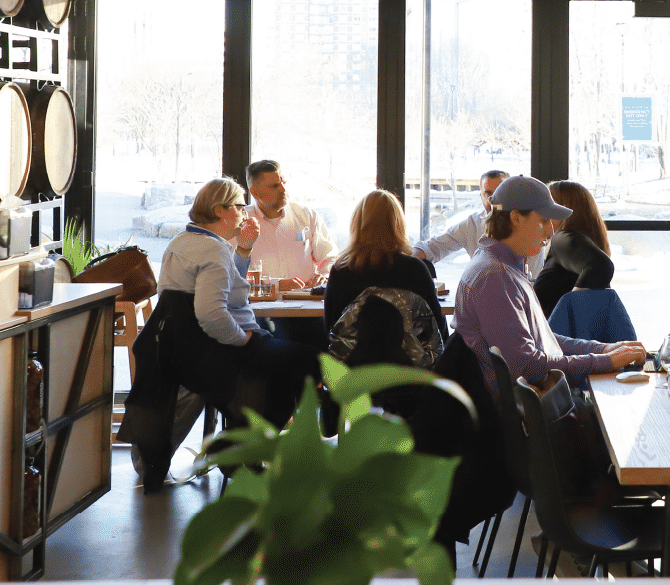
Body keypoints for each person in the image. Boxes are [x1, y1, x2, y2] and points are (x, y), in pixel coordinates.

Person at [135, 177, 320, 442]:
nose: (245, 213)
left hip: (191, 346)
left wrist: (244, 249)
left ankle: (240, 438)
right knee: (311, 361)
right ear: (219, 210)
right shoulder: (213, 250)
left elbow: (228, 287)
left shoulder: (183, 241)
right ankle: (239, 442)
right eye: (239, 207)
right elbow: (212, 315)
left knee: (284, 366)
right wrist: (244, 339)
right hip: (219, 348)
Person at [455, 175, 646, 396]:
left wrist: (603, 349)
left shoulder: (504, 267)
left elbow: (542, 339)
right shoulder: (495, 277)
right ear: (516, 218)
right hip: (524, 411)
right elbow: (526, 366)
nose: (551, 232)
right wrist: (605, 361)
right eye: (544, 220)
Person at [324, 189, 448, 345]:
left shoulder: (341, 271)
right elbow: (438, 330)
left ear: (357, 224)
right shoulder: (416, 270)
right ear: (398, 225)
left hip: (354, 359)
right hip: (409, 359)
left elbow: (330, 329)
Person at [414, 169, 545, 279]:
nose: (493, 199)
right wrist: (407, 259)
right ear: (481, 196)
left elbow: (527, 275)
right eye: (488, 193)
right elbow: (433, 247)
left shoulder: (530, 224)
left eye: (499, 192)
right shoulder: (472, 225)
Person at [240, 159, 336, 288]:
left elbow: (330, 258)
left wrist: (324, 277)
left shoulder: (307, 216)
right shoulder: (242, 221)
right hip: (261, 298)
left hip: (305, 296)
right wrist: (276, 285)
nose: (283, 189)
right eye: (274, 186)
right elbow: (234, 274)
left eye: (283, 182)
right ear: (255, 193)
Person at [533, 181, 617, 316]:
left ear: (563, 209)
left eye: (548, 205)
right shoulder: (581, 240)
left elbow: (601, 265)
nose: (542, 212)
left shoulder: (563, 238)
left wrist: (568, 311)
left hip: (556, 330)